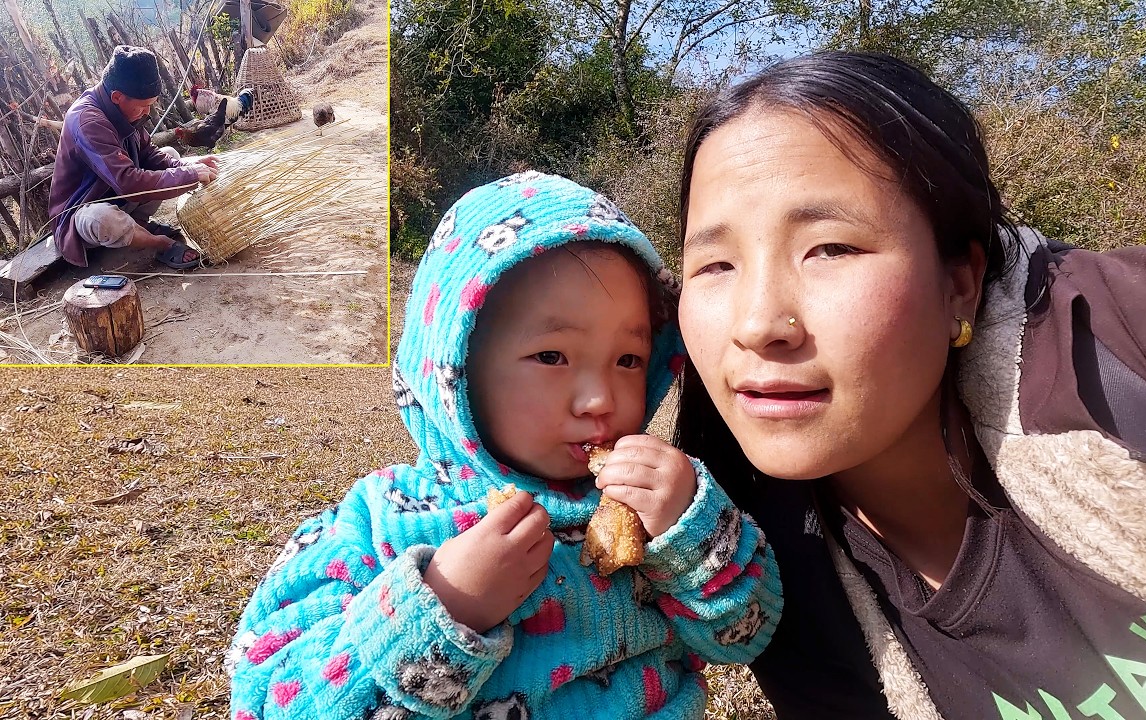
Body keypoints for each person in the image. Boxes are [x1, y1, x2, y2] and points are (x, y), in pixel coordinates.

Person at [673, 51, 1146, 720]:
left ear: (959, 282)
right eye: (716, 263)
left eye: (832, 248)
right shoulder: (769, 586)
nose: (759, 324)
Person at [226, 172, 782, 719]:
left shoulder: (652, 507)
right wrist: (444, 604)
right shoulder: (382, 520)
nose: (599, 399)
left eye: (628, 360)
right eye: (551, 357)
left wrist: (691, 528)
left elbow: (742, 636)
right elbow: (267, 695)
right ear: (457, 368)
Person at [50, 45, 217, 270]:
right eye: (144, 106)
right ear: (117, 97)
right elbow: (127, 182)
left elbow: (149, 155)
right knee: (103, 218)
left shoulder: (122, 108)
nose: (148, 112)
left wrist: (187, 165)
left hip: (116, 196)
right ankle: (159, 244)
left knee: (171, 154)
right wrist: (187, 175)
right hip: (82, 213)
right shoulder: (88, 121)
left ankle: (138, 224)